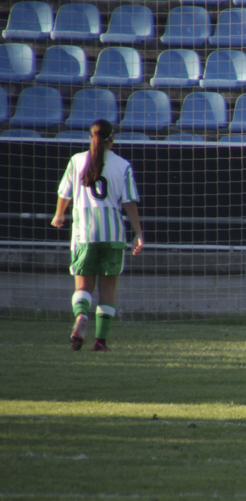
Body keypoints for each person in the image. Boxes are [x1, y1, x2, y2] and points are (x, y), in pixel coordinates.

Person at [51, 119, 144, 352]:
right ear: (112, 139)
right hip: (112, 234)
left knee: (83, 286)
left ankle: (81, 314)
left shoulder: (76, 160)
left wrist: (59, 215)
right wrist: (138, 233)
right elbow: (130, 202)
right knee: (108, 289)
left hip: (84, 234)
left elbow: (65, 192)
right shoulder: (122, 165)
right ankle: (100, 341)